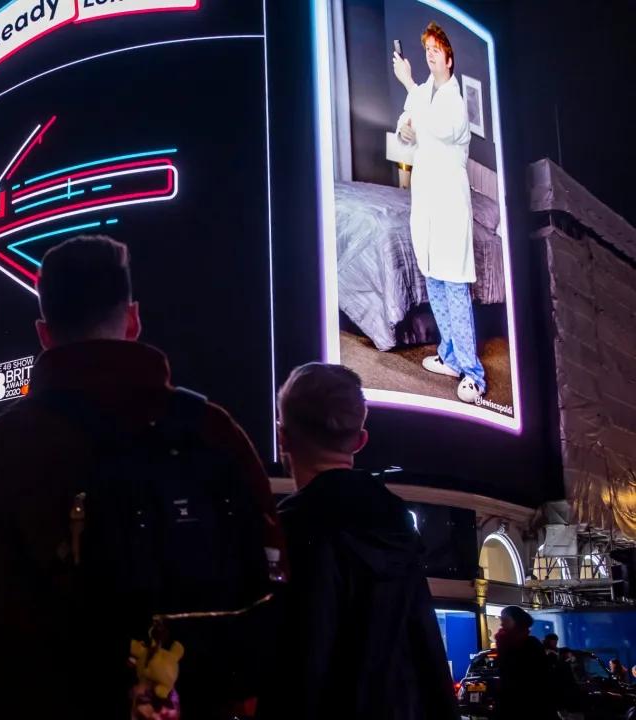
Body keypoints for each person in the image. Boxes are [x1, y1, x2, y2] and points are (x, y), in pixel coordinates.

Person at [0, 235, 276, 720]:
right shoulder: (210, 429)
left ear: (44, 333)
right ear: (133, 319)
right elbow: (267, 586)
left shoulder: (1, 447)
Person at [260, 363, 457, 720]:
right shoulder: (399, 526)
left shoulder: (284, 531)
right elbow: (427, 652)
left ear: (282, 438)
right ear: (360, 440)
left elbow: (292, 668)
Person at [392, 22, 485, 404]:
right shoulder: (424, 95)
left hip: (448, 207)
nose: (430, 54)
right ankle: (449, 356)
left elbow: (440, 130)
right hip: (426, 204)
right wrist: (406, 131)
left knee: (454, 286)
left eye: (436, 49)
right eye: (427, 48)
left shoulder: (454, 102)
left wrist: (408, 85)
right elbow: (405, 125)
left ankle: (473, 374)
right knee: (434, 280)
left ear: (449, 59)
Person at [494, 605, 554, 719]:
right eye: (502, 620)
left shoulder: (531, 644)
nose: (502, 624)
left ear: (517, 621)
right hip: (509, 701)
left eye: (505, 620)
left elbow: (542, 675)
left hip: (530, 701)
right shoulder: (503, 643)